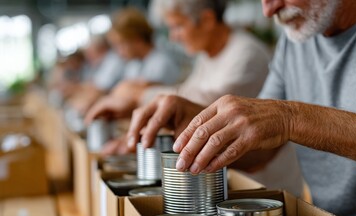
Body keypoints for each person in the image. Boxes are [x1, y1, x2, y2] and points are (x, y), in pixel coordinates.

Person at [125, 0, 356, 216]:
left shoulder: (254, 50)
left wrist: (290, 117)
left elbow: (282, 119)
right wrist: (193, 121)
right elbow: (261, 150)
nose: (269, 10)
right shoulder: (295, 42)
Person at [85, 0, 270, 150]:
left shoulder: (246, 54)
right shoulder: (207, 55)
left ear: (207, 20)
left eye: (178, 26)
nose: (173, 37)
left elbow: (209, 106)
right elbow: (187, 92)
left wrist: (138, 94)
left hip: (261, 185)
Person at [72, 7, 180, 115]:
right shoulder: (134, 64)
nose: (118, 52)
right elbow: (121, 92)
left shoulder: (162, 63)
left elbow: (149, 101)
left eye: (120, 44)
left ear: (136, 39)